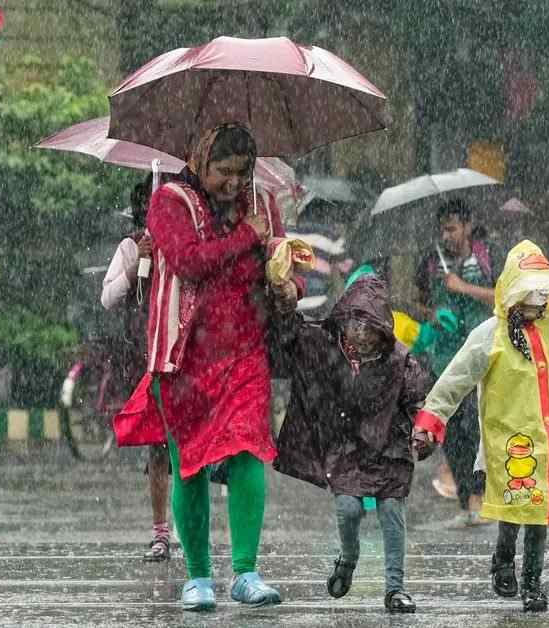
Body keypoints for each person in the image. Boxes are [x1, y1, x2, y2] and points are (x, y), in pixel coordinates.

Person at [113, 123, 298, 612]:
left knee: (248, 449)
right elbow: (190, 262)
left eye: (243, 172)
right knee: (188, 464)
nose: (234, 183)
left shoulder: (263, 205)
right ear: (198, 161)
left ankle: (246, 570)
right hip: (183, 354)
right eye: (224, 172)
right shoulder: (168, 203)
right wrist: (245, 237)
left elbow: (276, 260)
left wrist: (284, 277)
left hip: (244, 350)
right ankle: (198, 576)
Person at [412, 240, 549, 613]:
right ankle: (503, 559)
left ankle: (532, 581)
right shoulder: (490, 334)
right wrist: (431, 421)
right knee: (515, 508)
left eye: (543, 292)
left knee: (537, 515)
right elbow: (455, 380)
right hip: (510, 442)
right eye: (531, 292)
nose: (538, 300)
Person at [269, 273, 432, 613]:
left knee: (391, 513)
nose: (359, 335)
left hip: (389, 447)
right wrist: (284, 303)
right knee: (347, 509)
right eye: (353, 325)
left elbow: (418, 401)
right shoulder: (323, 344)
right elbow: (291, 336)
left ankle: (395, 588)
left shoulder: (398, 360)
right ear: (342, 321)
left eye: (368, 327)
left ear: (382, 329)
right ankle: (348, 557)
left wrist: (424, 431)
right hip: (346, 449)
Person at [99, 176, 171, 562]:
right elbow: (109, 298)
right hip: (147, 356)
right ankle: (161, 533)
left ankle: (195, 532)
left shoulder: (185, 243)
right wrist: (137, 265)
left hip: (184, 354)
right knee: (159, 448)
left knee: (189, 447)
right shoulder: (131, 245)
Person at [414, 199, 498, 528]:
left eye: (452, 228)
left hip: (484, 352)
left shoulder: (489, 255)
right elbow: (417, 301)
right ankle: (466, 500)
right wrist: (433, 314)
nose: (447, 235)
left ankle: (480, 496)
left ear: (467, 225)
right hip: (445, 358)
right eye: (443, 229)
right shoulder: (432, 261)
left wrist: (465, 288)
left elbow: (503, 295)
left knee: (478, 427)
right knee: (452, 431)